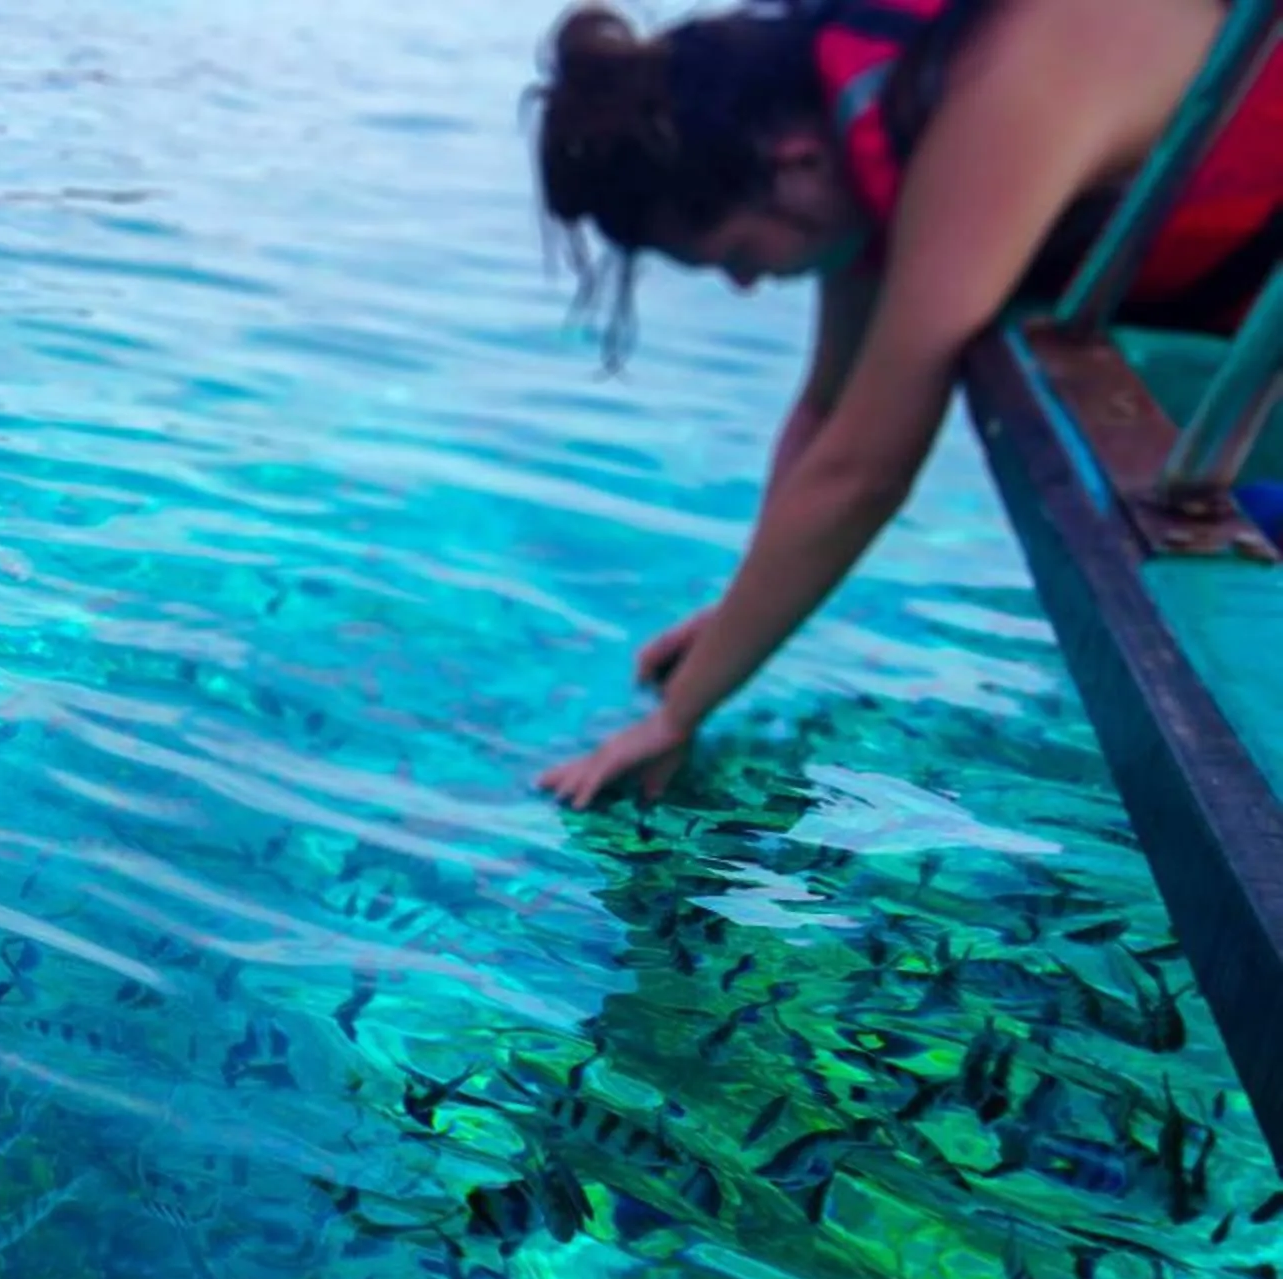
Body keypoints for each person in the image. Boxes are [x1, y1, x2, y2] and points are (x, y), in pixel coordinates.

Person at [528, 0, 1283, 809]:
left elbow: (866, 466)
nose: (746, 284)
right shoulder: (867, 141)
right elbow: (826, 409)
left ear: (792, 162)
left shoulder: (995, 94)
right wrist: (736, 619)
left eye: (737, 254)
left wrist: (678, 716)